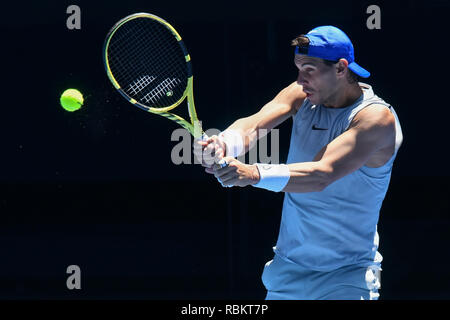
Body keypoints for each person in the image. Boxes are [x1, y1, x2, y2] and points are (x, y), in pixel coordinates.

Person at [194, 25, 403, 300]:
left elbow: (322, 174)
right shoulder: (301, 94)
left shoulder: (376, 119)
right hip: (287, 272)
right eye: (298, 68)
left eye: (309, 70)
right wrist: (223, 143)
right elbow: (255, 123)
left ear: (341, 69)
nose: (300, 79)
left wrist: (253, 173)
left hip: (348, 278)